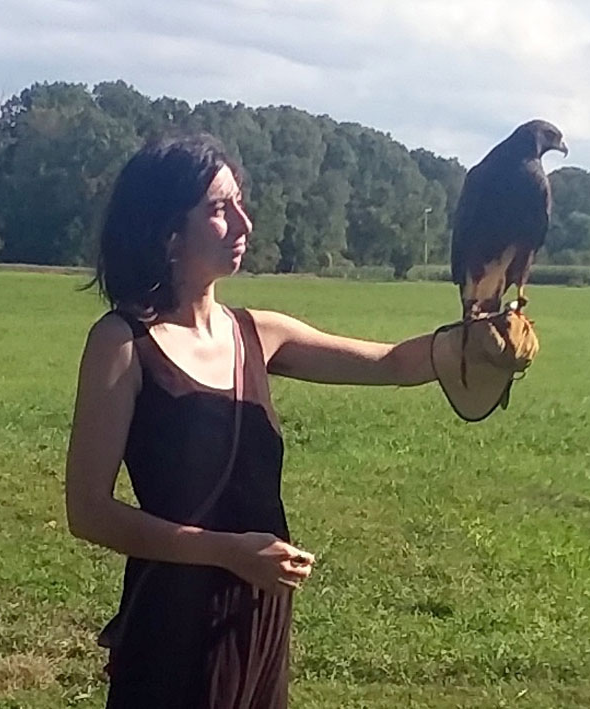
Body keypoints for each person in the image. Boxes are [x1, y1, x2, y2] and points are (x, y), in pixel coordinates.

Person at [64, 134, 532, 708]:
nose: (244, 224)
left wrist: (479, 340)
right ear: (167, 230)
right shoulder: (122, 344)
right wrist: (227, 552)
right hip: (173, 614)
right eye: (218, 209)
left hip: (260, 610)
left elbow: (393, 363)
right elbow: (88, 512)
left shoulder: (259, 332)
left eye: (240, 203)